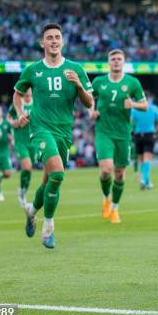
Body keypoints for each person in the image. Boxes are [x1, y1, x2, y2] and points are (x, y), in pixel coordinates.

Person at [13, 23, 93, 249]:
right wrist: (20, 114)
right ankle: (48, 227)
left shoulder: (76, 68)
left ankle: (31, 210)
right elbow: (17, 95)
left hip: (63, 132)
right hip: (40, 129)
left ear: (63, 41)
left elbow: (89, 103)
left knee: (49, 181)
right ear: (42, 43)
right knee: (57, 175)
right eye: (49, 37)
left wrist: (78, 85)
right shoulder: (32, 69)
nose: (54, 41)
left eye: (57, 37)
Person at [89, 49, 147, 223]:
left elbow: (144, 105)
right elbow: (88, 98)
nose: (116, 61)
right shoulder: (99, 82)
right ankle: (106, 198)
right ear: (108, 62)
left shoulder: (132, 82)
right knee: (106, 170)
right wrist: (91, 111)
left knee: (120, 174)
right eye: (113, 59)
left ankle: (115, 208)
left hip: (123, 134)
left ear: (124, 62)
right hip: (103, 132)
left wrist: (133, 104)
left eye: (119, 59)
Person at [7, 88, 36, 207]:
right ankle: (22, 192)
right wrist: (13, 122)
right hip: (21, 141)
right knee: (27, 167)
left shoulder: (37, 103)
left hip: (33, 141)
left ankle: (24, 190)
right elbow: (8, 117)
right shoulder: (18, 103)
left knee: (29, 170)